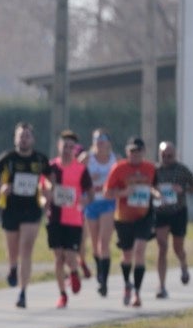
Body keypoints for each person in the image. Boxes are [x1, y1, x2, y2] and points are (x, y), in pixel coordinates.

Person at [0, 122, 48, 308]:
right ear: (16, 138)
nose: (24, 139)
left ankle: (23, 292)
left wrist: (48, 194)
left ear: (33, 139)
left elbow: (52, 177)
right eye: (21, 135)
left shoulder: (39, 159)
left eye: (27, 135)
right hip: (10, 208)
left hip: (32, 209)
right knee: (13, 250)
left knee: (26, 249)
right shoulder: (8, 158)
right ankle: (12, 268)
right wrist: (1, 187)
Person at [103, 136, 157, 307]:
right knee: (127, 255)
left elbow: (156, 186)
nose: (135, 154)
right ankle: (127, 283)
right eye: (132, 151)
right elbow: (107, 193)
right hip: (123, 217)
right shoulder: (119, 169)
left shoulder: (150, 168)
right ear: (127, 152)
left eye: (138, 151)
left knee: (140, 251)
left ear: (143, 152)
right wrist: (124, 193)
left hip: (144, 216)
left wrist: (156, 193)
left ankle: (138, 293)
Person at [41, 129, 91, 308]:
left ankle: (74, 273)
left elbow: (90, 193)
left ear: (74, 149)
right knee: (58, 257)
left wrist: (85, 199)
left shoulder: (81, 169)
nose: (68, 150)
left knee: (70, 256)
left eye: (71, 147)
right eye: (65, 146)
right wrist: (46, 197)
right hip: (54, 217)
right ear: (59, 146)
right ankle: (62, 294)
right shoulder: (51, 167)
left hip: (74, 219)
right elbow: (43, 189)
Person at [151, 140, 193, 298]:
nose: (166, 159)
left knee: (178, 247)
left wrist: (182, 189)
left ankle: (183, 265)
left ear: (175, 155)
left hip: (178, 211)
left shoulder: (182, 170)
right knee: (162, 246)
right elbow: (148, 187)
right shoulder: (155, 171)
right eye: (163, 155)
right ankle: (161, 286)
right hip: (161, 212)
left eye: (169, 156)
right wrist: (155, 191)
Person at [82, 129, 118, 296]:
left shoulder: (113, 160)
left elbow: (120, 179)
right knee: (95, 244)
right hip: (91, 203)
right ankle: (99, 270)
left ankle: (104, 282)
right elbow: (75, 174)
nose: (99, 142)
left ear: (108, 142)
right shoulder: (87, 159)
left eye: (103, 138)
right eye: (96, 139)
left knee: (104, 243)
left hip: (107, 203)